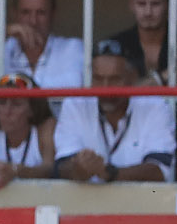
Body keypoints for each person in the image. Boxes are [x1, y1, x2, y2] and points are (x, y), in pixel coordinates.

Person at [54, 40, 176, 184]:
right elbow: (62, 167)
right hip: (85, 204)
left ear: (133, 78)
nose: (106, 88)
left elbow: (160, 170)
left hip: (140, 204)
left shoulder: (155, 106)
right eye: (98, 79)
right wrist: (79, 168)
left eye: (115, 79)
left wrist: (108, 173)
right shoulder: (75, 105)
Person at [104, 0, 170, 84]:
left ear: (169, 5)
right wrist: (163, 77)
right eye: (141, 3)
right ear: (132, 4)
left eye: (155, 4)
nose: (148, 12)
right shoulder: (115, 45)